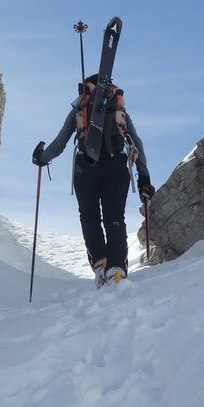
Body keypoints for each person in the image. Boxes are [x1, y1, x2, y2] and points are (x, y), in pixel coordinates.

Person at [32, 73, 155, 285]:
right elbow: (137, 143)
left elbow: (59, 144)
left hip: (85, 168)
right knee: (115, 217)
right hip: (116, 166)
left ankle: (100, 262)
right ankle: (117, 269)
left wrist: (41, 158)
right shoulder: (119, 111)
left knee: (89, 216)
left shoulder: (79, 109)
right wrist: (144, 178)